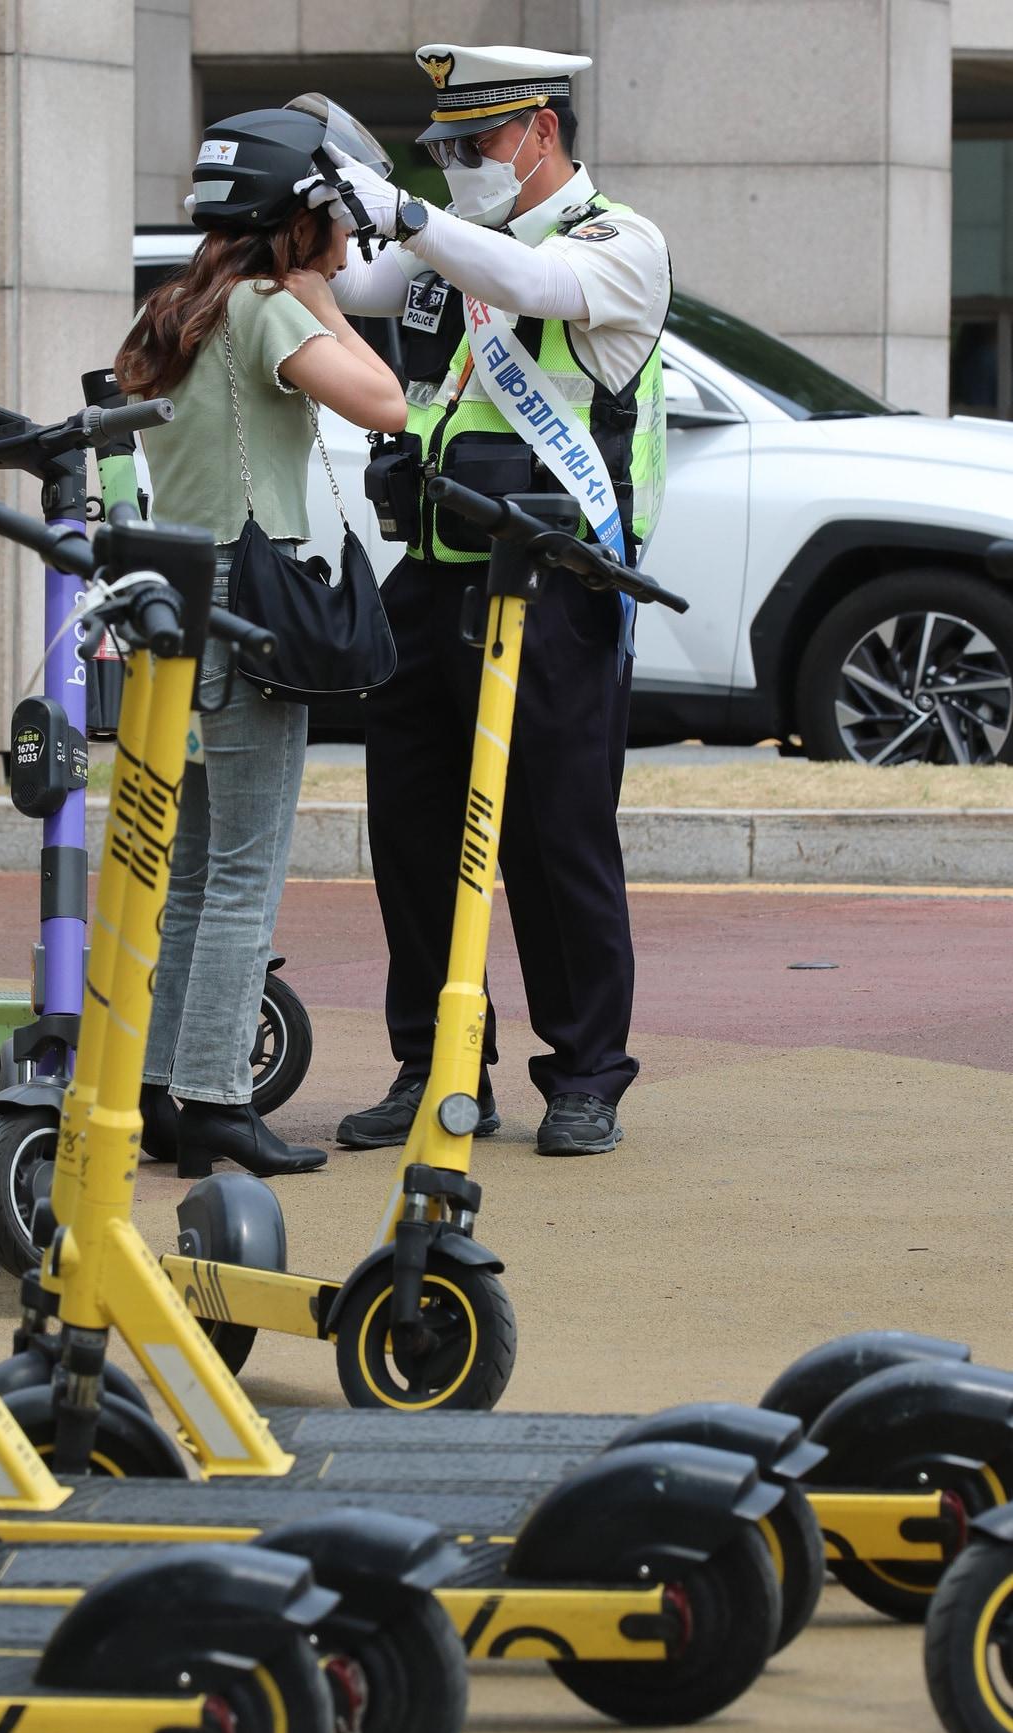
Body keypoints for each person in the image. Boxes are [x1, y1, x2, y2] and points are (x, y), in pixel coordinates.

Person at [303, 43, 671, 1157]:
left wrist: (406, 215)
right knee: (408, 826)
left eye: (475, 144)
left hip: (559, 584)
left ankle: (585, 1074)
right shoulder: (447, 253)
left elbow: (532, 287)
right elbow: (338, 284)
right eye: (442, 150)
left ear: (541, 133)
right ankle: (436, 1062)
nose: (458, 164)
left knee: (554, 835)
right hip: (434, 571)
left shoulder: (617, 244)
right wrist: (299, 210)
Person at [115, 104, 406, 1180]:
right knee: (244, 870)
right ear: (295, 221)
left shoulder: (178, 306)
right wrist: (313, 290)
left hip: (176, 596)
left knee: (193, 870)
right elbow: (384, 404)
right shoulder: (265, 309)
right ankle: (218, 1102)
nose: (345, 241)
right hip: (248, 599)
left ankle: (162, 1092)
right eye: (332, 219)